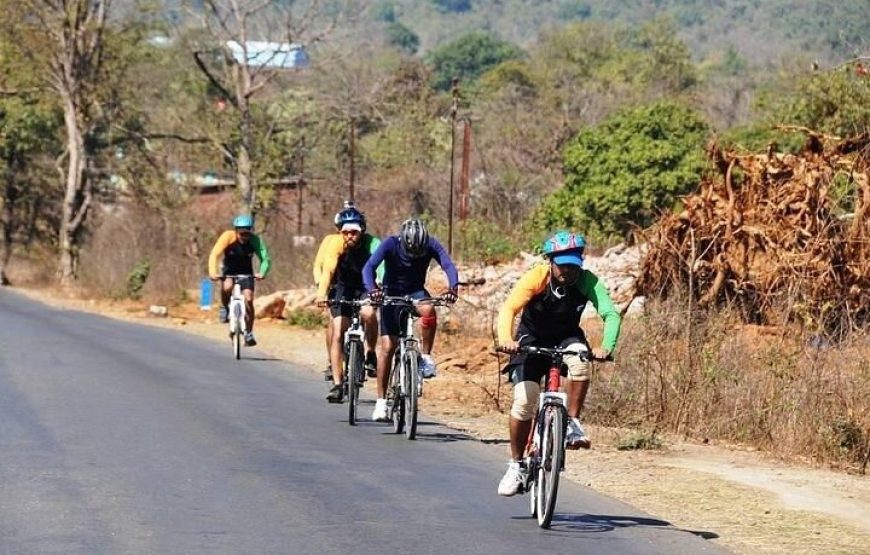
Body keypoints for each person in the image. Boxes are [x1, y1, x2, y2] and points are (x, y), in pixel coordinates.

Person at [495, 230, 621, 497]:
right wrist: (506, 339)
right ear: (550, 261)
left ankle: (572, 422)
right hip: (530, 339)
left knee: (580, 363)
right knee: (525, 401)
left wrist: (605, 347)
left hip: (566, 337)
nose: (566, 270)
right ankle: (516, 464)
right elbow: (509, 309)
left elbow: (611, 314)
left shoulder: (587, 281)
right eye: (561, 264)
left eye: (572, 265)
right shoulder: (536, 277)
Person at [362, 218, 459, 422]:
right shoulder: (390, 243)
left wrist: (453, 288)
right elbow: (368, 268)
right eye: (411, 251)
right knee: (388, 348)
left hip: (416, 291)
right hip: (390, 293)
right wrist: (373, 290)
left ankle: (426, 357)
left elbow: (448, 265)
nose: (415, 254)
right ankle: (381, 402)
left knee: (429, 309)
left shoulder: (431, 243)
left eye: (419, 251)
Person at [314, 206, 383, 403]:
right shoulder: (336, 244)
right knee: (337, 331)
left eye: (354, 232)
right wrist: (321, 293)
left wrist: (381, 286)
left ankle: (370, 351)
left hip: (365, 286)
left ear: (362, 230)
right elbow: (327, 271)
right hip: (342, 288)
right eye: (345, 232)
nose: (349, 236)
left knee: (369, 314)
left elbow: (382, 268)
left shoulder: (372, 243)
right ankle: (337, 383)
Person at [208, 214, 272, 347]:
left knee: (248, 299)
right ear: (236, 231)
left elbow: (265, 258)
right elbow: (214, 254)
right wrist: (213, 273)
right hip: (229, 271)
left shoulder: (255, 240)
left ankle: (249, 332)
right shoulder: (227, 237)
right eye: (241, 233)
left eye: (247, 233)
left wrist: (262, 272)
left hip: (246, 273)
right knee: (227, 287)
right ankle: (224, 307)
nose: (244, 237)